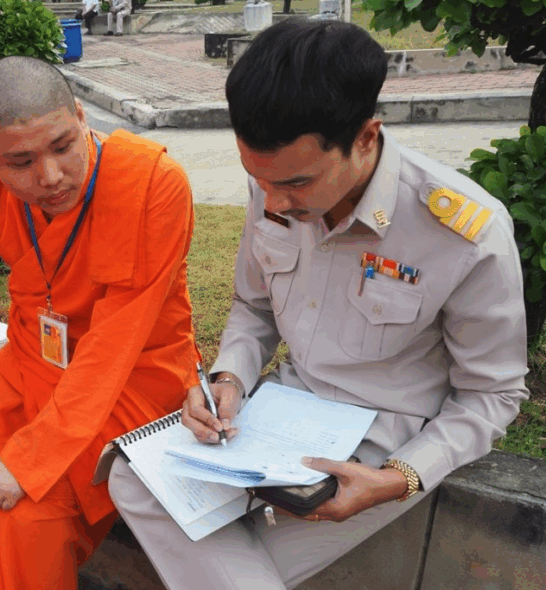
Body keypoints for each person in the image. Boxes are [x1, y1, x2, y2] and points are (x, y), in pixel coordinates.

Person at [108, 18, 529, 590]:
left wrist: (402, 477)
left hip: (378, 441)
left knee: (225, 558)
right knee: (132, 478)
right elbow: (254, 307)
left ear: (366, 138)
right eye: (258, 179)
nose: (275, 201)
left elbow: (491, 394)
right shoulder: (274, 182)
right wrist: (229, 378)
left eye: (297, 184)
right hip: (275, 415)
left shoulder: (462, 232)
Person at [0, 55, 198, 590]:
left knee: (23, 514)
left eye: (63, 146)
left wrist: (31, 459)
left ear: (81, 118)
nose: (51, 177)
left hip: (132, 379)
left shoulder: (152, 185)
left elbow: (114, 346)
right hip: (32, 356)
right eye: (21, 162)